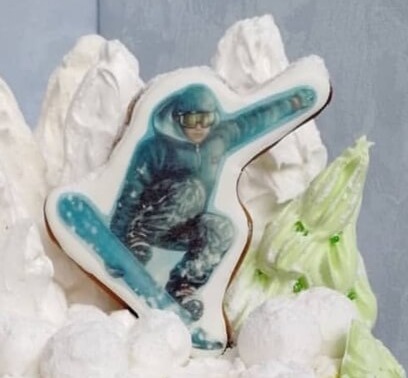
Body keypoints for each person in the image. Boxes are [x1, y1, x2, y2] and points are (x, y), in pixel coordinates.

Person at [109, 82, 315, 318]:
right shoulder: (156, 148)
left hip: (181, 225)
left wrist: (292, 103)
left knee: (222, 228)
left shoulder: (219, 138)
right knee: (193, 190)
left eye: (205, 120)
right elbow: (132, 190)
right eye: (191, 120)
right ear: (177, 118)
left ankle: (183, 286)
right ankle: (137, 238)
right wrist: (116, 242)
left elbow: (256, 120)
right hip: (148, 216)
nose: (199, 128)